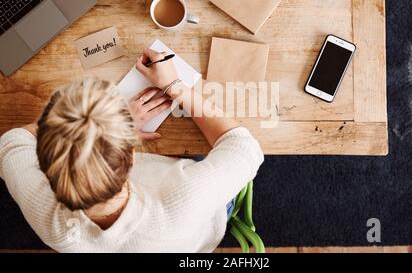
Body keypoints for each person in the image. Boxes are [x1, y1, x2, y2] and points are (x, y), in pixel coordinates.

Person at [0, 49, 264, 252]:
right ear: (131, 155)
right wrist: (175, 86)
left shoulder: (48, 218)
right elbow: (245, 147)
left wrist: (97, 127)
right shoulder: (186, 198)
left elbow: (11, 142)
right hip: (196, 230)